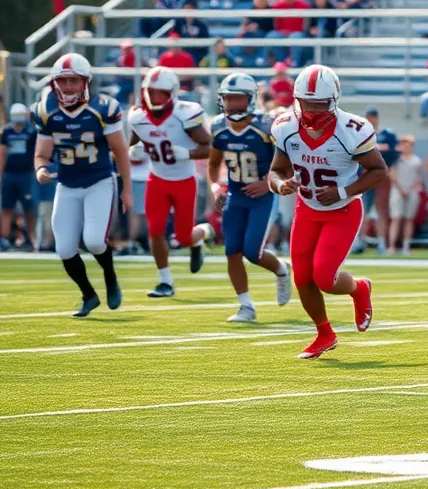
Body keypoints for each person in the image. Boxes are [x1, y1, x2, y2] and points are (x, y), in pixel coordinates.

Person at [268, 65, 389, 359]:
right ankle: (324, 333)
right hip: (307, 208)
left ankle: (359, 288)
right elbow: (275, 171)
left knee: (324, 276)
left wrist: (344, 191)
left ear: (333, 100)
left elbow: (379, 171)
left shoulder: (352, 130)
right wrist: (280, 184)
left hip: (343, 209)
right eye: (306, 102)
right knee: (302, 278)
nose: (311, 109)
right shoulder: (285, 126)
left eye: (319, 104)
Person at [32, 55, 132, 316]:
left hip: (99, 180)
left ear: (85, 81)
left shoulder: (103, 109)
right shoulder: (46, 110)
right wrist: (41, 169)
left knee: (94, 241)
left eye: (73, 80)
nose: (67, 86)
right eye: (62, 81)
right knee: (64, 248)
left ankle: (110, 277)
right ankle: (88, 295)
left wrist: (127, 189)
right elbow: (42, 154)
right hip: (67, 184)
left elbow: (120, 152)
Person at [206, 73, 291, 322]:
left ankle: (282, 270)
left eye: (237, 99)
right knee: (232, 250)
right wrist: (214, 186)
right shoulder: (218, 126)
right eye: (228, 99)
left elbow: (287, 166)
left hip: (262, 197)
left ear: (251, 99)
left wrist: (267, 184)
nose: (232, 104)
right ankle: (246, 307)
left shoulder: (267, 127)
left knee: (252, 252)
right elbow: (213, 164)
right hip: (235, 194)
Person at [127, 68, 213, 298]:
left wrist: (187, 153)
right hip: (156, 179)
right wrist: (131, 152)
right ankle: (165, 282)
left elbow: (209, 147)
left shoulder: (185, 114)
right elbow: (129, 146)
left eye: (160, 93)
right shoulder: (137, 117)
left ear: (172, 93)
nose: (155, 99)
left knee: (184, 238)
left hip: (184, 180)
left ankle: (202, 234)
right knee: (154, 231)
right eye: (151, 93)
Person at [0, 103, 36, 249]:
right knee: (6, 207)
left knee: (29, 209)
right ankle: (4, 238)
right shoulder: (6, 132)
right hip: (9, 174)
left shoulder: (31, 132)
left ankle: (30, 238)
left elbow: (37, 153)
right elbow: (1, 153)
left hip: (26, 174)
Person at [388, 135, 424, 256]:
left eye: (407, 145)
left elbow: (418, 178)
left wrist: (409, 189)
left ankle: (406, 246)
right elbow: (392, 175)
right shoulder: (396, 159)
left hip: (412, 191)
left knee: (409, 219)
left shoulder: (416, 160)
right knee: (396, 218)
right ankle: (392, 246)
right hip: (398, 191)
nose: (405, 147)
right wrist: (401, 189)